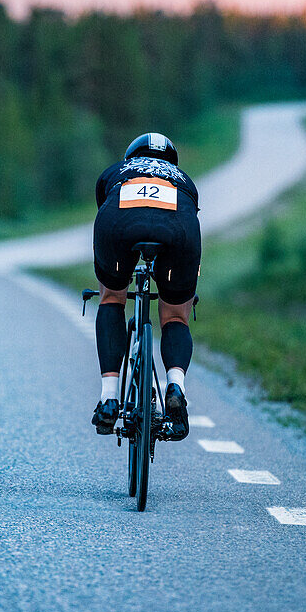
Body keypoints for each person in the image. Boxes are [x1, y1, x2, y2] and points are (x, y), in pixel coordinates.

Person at [90, 132, 201, 441]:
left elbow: (104, 205)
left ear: (132, 157)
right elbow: (191, 211)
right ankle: (175, 385)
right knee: (176, 316)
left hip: (118, 223)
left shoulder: (116, 172)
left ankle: (109, 396)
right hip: (179, 228)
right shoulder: (184, 179)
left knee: (112, 297)